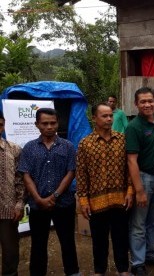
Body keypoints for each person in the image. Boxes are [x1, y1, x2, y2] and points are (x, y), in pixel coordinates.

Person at [18, 108, 80, 276]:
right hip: (38, 206)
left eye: (53, 123)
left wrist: (55, 196)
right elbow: (25, 174)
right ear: (37, 125)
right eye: (45, 123)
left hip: (64, 203)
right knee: (38, 244)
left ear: (57, 123)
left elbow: (71, 172)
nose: (49, 127)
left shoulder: (67, 146)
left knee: (67, 242)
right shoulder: (29, 148)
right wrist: (38, 198)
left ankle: (73, 272)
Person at [76, 103, 133, 276]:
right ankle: (99, 270)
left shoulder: (122, 140)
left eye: (110, 116)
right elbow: (81, 173)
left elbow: (129, 169)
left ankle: (123, 269)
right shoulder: (85, 144)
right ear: (94, 118)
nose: (109, 119)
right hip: (95, 201)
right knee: (99, 239)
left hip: (120, 199)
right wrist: (83, 200)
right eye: (104, 116)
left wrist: (130, 191)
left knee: (121, 237)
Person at [125, 87, 154, 275]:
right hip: (144, 177)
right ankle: (137, 262)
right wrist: (139, 190)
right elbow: (131, 160)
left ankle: (150, 253)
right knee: (138, 223)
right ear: (136, 104)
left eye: (150, 100)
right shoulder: (134, 127)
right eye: (142, 101)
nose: (147, 104)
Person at [0, 111, 23, 276]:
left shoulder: (14, 149)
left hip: (8, 212)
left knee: (10, 254)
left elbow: (20, 181)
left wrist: (19, 204)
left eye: (0, 124)